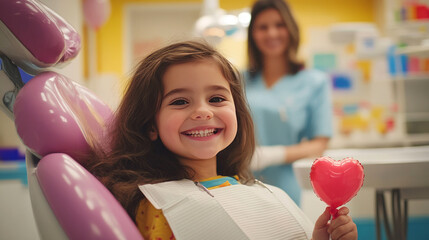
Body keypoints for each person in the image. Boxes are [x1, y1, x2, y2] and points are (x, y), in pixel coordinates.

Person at [87, 40, 356, 240]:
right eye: (180, 101)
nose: (203, 111)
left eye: (216, 99)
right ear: (150, 125)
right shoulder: (158, 207)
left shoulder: (257, 192)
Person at [244, 0, 333, 205]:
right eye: (262, 27)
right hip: (239, 182)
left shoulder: (313, 82)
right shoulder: (237, 80)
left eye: (279, 25)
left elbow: (320, 144)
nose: (272, 33)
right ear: (252, 34)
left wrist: (272, 155)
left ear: (291, 29)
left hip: (285, 185)